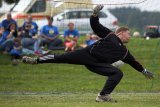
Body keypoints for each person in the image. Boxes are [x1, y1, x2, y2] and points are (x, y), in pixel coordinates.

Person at [22, 5, 154, 102]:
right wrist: (94, 14)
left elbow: (134, 62)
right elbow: (95, 25)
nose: (130, 36)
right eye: (128, 33)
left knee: (118, 73)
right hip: (86, 55)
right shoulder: (110, 35)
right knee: (60, 57)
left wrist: (143, 71)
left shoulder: (125, 52)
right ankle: (36, 60)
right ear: (120, 33)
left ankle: (103, 95)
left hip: (98, 64)